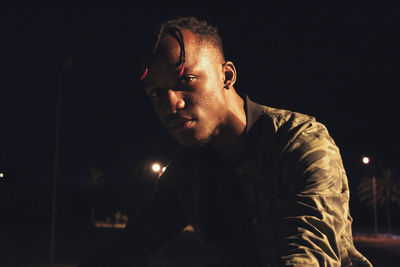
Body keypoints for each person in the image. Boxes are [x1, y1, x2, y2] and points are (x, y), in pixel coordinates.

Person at [79, 17, 371, 266]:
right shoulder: (187, 172)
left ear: (227, 75)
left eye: (186, 80)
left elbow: (311, 247)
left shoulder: (299, 141)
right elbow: (130, 247)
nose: (171, 103)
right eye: (156, 92)